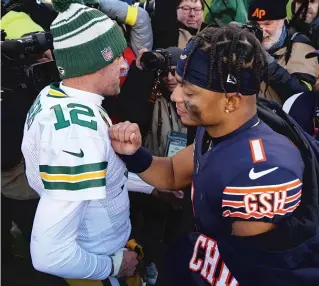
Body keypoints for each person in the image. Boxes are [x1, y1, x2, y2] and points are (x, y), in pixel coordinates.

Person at [109, 25, 319, 285]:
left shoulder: (262, 172)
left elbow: (253, 273)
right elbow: (174, 172)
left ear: (231, 101)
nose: (175, 95)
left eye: (189, 91)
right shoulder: (222, 125)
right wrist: (133, 154)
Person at [21, 0, 139, 285]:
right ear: (96, 59)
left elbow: (100, 173)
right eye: (117, 58)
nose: (124, 64)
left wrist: (152, 186)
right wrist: (114, 266)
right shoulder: (77, 133)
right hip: (96, 261)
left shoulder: (57, 95)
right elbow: (49, 254)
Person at [247, 0, 318, 102]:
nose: (262, 30)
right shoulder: (246, 41)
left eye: (268, 23)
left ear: (283, 21)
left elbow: (302, 94)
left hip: (279, 116)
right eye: (256, 25)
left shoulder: (300, 44)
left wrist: (269, 64)